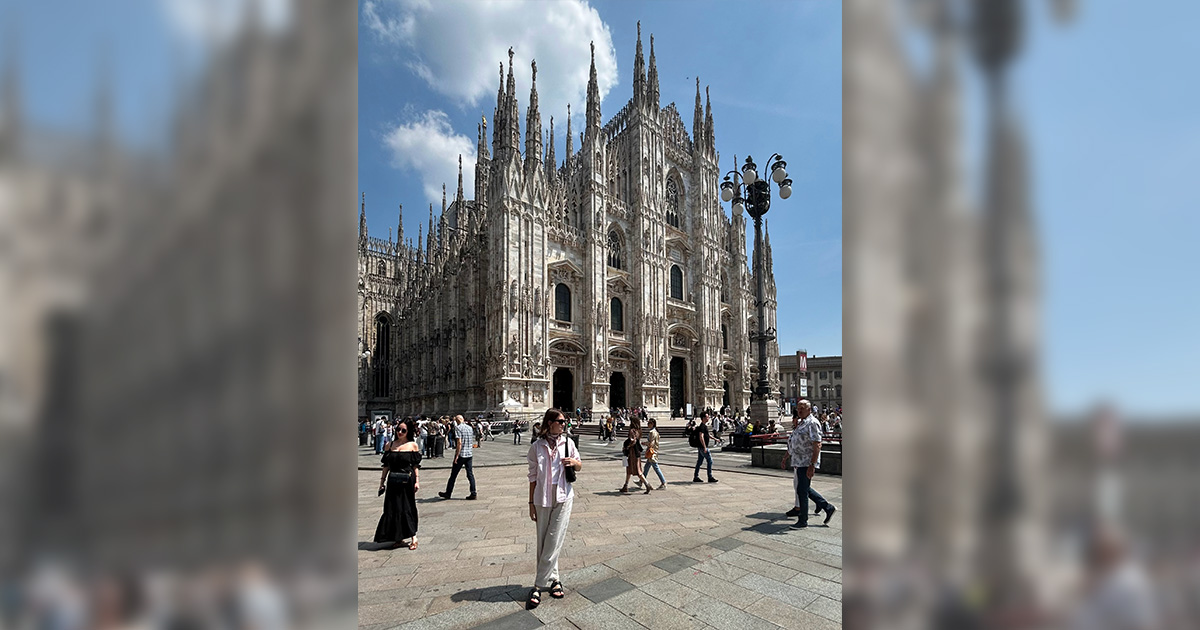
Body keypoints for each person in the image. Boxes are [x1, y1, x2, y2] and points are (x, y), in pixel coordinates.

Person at [525, 408, 582, 610]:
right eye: (560, 421)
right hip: (542, 497)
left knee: (554, 537)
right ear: (550, 423)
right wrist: (531, 503)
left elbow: (579, 465)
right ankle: (555, 579)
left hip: (564, 496)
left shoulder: (569, 443)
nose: (564, 424)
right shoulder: (536, 447)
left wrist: (574, 462)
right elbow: (532, 478)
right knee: (544, 539)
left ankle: (538, 585)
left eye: (565, 421)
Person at [782, 399, 835, 528]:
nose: (799, 411)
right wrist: (786, 457)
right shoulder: (802, 423)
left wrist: (812, 464)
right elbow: (794, 441)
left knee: (802, 490)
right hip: (799, 461)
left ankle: (803, 520)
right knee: (804, 488)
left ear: (809, 409)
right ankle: (827, 507)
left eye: (802, 408)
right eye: (798, 408)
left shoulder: (812, 423)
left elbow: (817, 444)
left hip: (806, 461)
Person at [374, 418, 422, 550]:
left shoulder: (413, 445)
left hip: (407, 480)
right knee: (393, 508)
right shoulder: (389, 445)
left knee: (407, 507)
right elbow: (386, 465)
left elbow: (415, 465)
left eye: (403, 430)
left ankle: (413, 536)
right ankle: (398, 537)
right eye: (398, 429)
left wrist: (417, 481)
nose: (400, 432)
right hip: (393, 480)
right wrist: (382, 482)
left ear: (408, 432)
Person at [438, 415, 478, 500]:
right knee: (470, 474)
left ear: (456, 420)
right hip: (469, 454)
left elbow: (459, 443)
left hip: (461, 455)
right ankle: (473, 492)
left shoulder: (458, 428)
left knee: (453, 475)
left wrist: (456, 456)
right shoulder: (469, 428)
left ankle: (448, 493)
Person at [620, 418, 651, 494]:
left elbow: (633, 441)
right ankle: (625, 486)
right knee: (629, 469)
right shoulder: (639, 431)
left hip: (632, 452)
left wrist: (627, 446)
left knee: (638, 470)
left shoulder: (632, 431)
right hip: (637, 452)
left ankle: (647, 484)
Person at [638, 418, 667, 490]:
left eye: (649, 423)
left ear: (652, 424)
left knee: (656, 468)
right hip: (653, 451)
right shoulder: (655, 431)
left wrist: (644, 443)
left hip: (652, 452)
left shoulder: (652, 432)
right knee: (646, 467)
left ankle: (663, 483)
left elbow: (651, 444)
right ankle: (641, 481)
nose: (647, 424)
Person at [692, 413, 718, 483]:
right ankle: (710, 477)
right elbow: (701, 437)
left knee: (699, 462)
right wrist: (704, 447)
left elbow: (707, 435)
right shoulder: (702, 427)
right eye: (707, 417)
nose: (708, 418)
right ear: (703, 418)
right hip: (702, 447)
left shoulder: (703, 426)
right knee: (710, 461)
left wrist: (715, 439)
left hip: (701, 447)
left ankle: (696, 477)